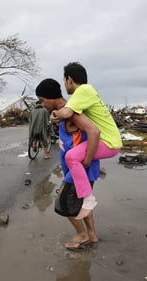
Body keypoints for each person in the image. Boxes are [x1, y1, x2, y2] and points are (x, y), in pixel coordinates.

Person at [50, 62, 122, 219]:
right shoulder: (88, 92)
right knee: (74, 158)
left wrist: (55, 113)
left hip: (109, 142)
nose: (65, 85)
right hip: (109, 141)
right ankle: (86, 198)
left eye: (64, 81)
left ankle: (88, 198)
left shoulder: (83, 90)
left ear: (69, 79)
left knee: (71, 157)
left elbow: (67, 112)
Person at [36, 78, 100, 249]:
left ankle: (82, 234)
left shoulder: (71, 112)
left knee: (65, 203)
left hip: (80, 168)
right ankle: (92, 235)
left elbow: (93, 132)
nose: (42, 105)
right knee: (81, 202)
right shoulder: (64, 113)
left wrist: (86, 162)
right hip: (76, 168)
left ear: (50, 97)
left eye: (43, 100)